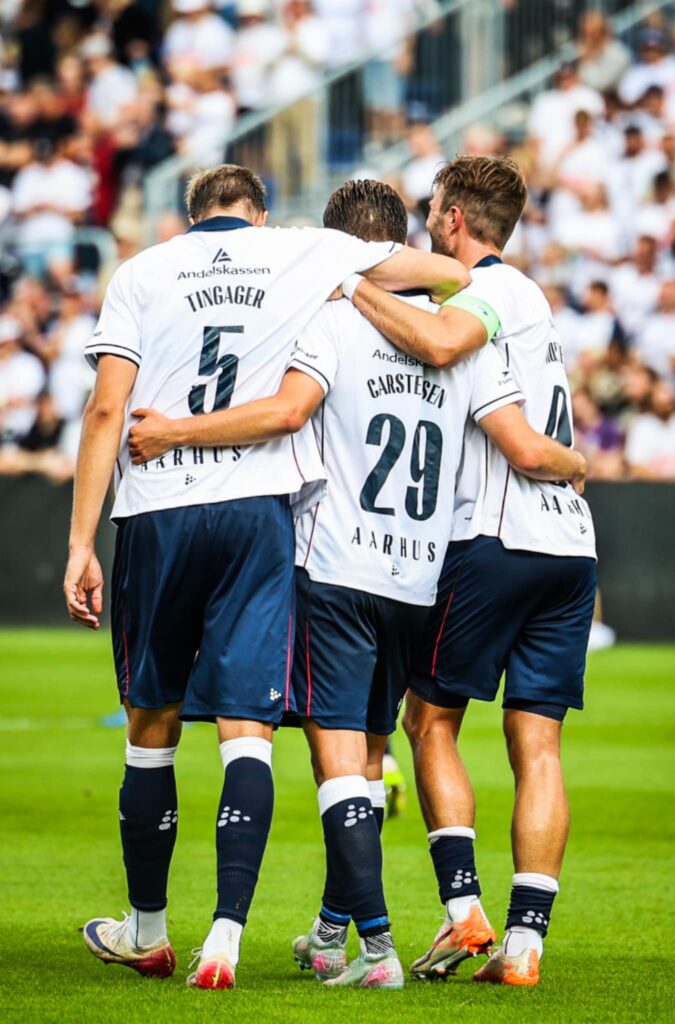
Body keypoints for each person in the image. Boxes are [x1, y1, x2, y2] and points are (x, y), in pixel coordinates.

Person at [127, 177, 585, 989]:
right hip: (423, 572)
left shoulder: (334, 316)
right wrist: (579, 461)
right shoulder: (477, 324)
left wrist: (174, 433)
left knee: (346, 756)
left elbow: (287, 411)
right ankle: (366, 932)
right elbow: (511, 422)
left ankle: (382, 946)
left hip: (340, 563)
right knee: (397, 753)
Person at [63, 162, 473, 991]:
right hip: (261, 514)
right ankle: (225, 939)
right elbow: (451, 272)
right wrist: (349, 269)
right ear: (257, 213)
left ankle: (147, 930)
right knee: (246, 730)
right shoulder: (299, 252)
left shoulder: (141, 271)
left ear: (192, 215)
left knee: (152, 730)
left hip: (156, 512)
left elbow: (108, 409)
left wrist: (80, 543)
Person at [343, 155, 598, 987]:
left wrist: (345, 283)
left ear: (453, 218)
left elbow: (511, 432)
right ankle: (525, 947)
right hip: (569, 549)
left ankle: (464, 912)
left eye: (431, 210)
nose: (425, 224)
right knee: (539, 745)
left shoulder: (491, 296)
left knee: (431, 722)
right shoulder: (529, 308)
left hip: (499, 539)